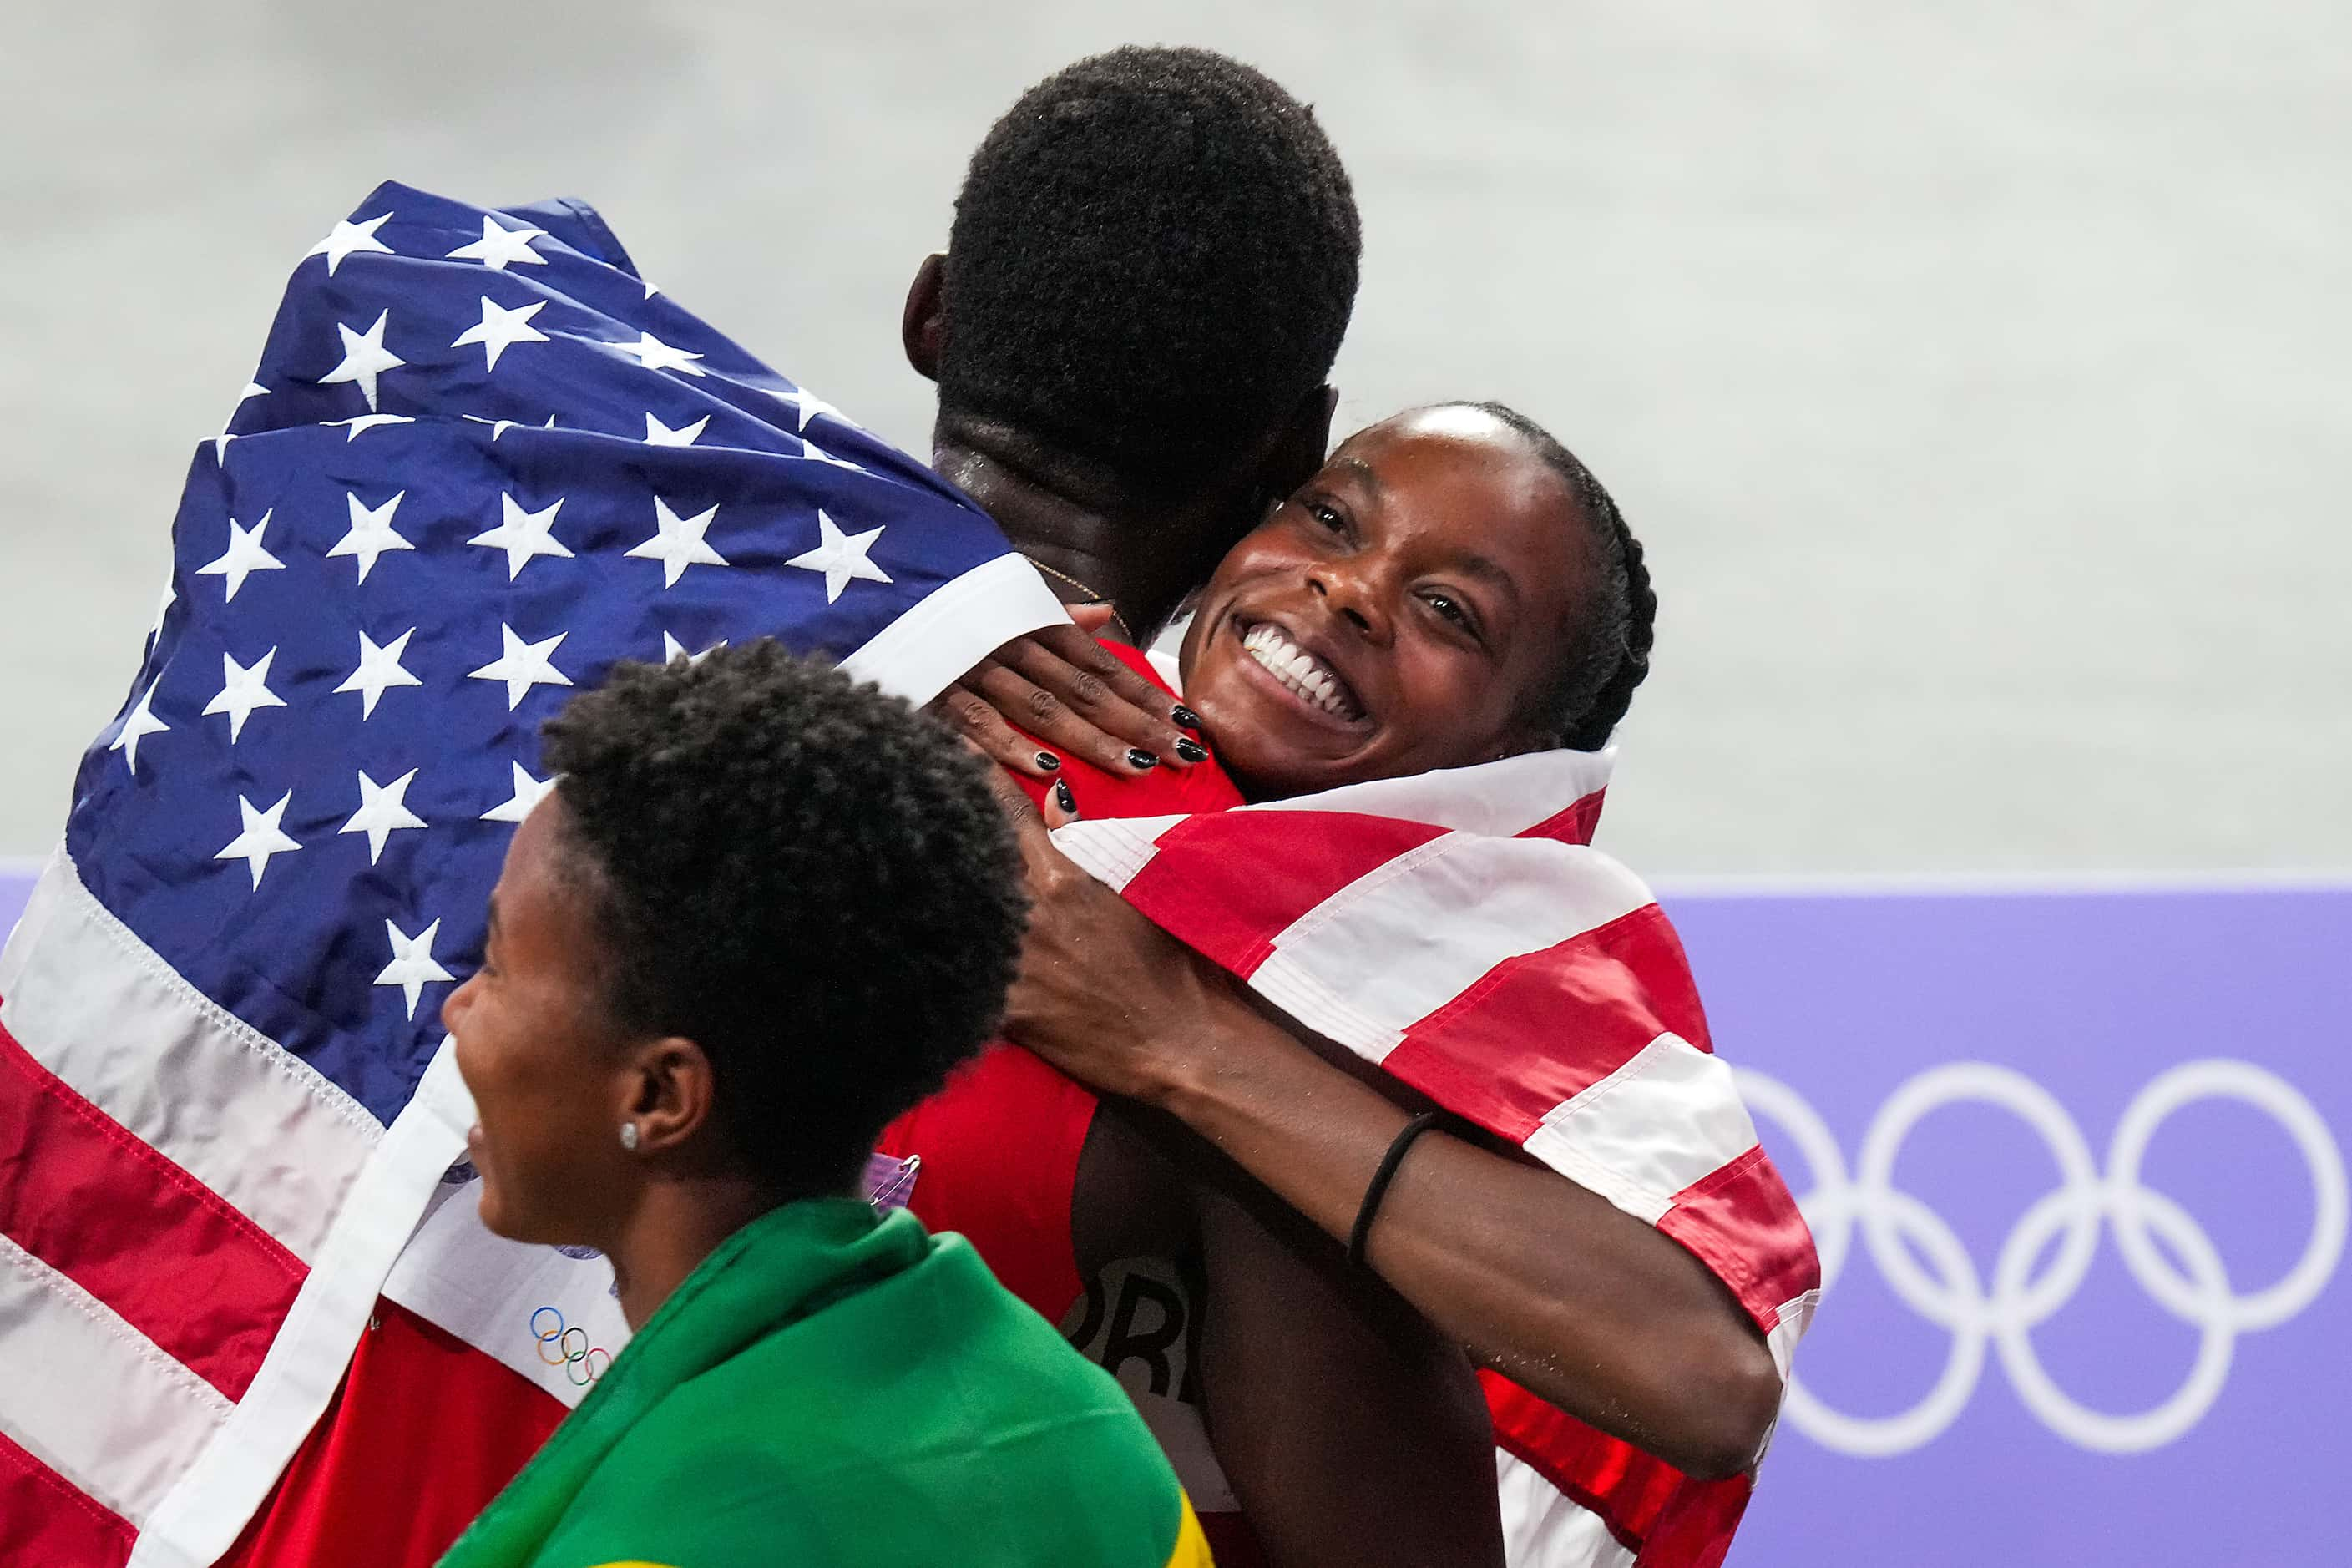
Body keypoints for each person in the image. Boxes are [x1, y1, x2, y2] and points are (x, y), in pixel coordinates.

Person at [935, 403, 1818, 1568]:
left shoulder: (1513, 962)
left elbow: (1704, 1386)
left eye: (1449, 611)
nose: (1349, 589)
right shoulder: (995, 748)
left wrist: (1175, 1039)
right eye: (1331, 517)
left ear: (1515, 754)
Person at [430, 643, 1211, 1568]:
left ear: (660, 1095)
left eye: (496, 967)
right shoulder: (1106, 1451)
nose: (456, 1007)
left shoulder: (650, 1542)